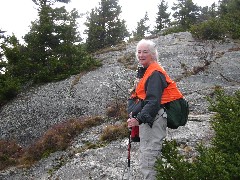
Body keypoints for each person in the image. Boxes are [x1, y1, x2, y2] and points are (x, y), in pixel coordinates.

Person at [127, 39, 183, 179]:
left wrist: (138, 119)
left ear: (152, 54)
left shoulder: (155, 73)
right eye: (139, 52)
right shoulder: (146, 72)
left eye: (145, 52)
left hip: (154, 119)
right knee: (148, 157)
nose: (141, 55)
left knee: (149, 159)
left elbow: (153, 101)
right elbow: (143, 98)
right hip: (150, 119)